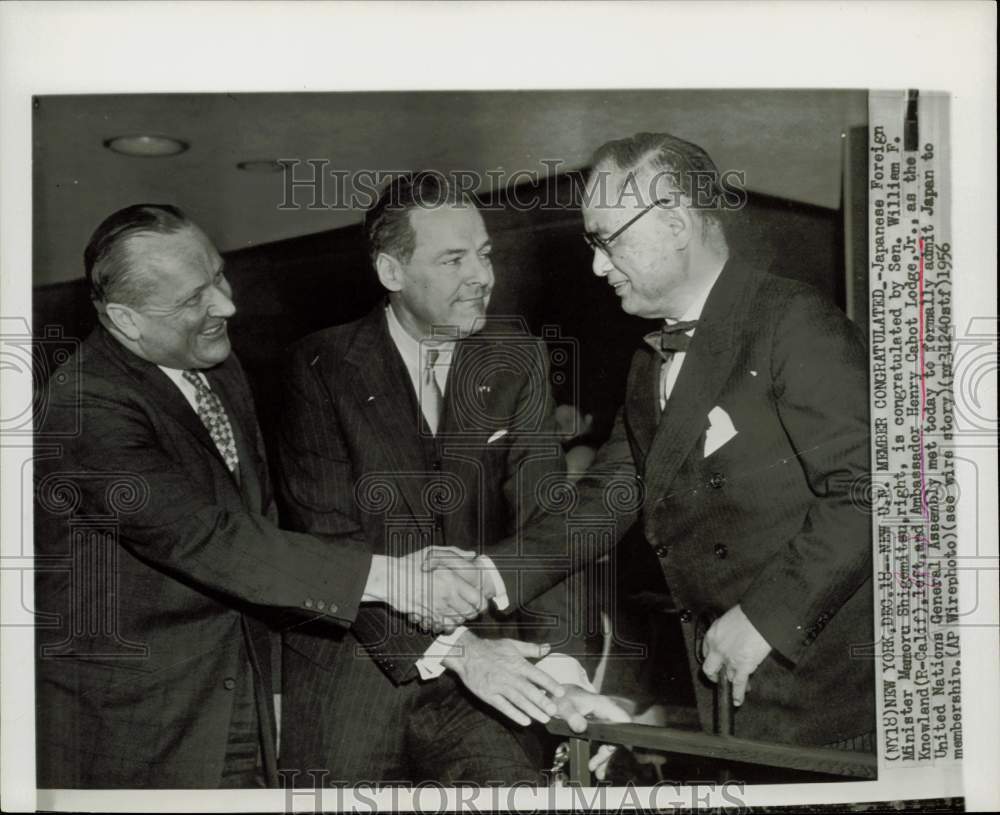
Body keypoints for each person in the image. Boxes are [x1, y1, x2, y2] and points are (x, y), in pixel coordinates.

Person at [33, 204, 486, 789]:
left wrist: (271, 686)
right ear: (125, 319)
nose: (227, 305)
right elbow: (207, 538)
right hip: (135, 732)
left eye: (219, 276)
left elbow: (259, 521)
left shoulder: (214, 365)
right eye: (195, 298)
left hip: (236, 708)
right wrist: (391, 577)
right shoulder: (82, 408)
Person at [474, 132, 875, 750]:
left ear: (675, 221)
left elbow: (873, 492)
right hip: (732, 694)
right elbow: (607, 501)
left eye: (607, 239)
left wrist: (766, 618)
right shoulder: (646, 365)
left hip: (831, 707)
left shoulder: (792, 322)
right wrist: (487, 574)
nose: (597, 265)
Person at [276, 173, 625, 786]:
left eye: (485, 254)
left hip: (489, 684)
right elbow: (331, 544)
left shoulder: (516, 358)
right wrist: (457, 654)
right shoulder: (319, 367)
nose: (482, 276)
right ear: (392, 272)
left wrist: (562, 674)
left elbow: (545, 523)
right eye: (454, 258)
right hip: (356, 681)